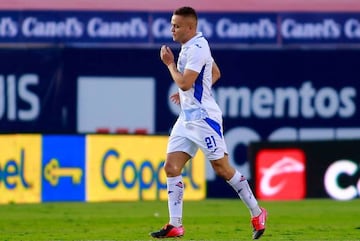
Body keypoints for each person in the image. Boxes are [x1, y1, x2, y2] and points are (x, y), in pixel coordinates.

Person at [150, 6, 267, 240]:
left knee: (222, 169)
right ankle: (175, 225)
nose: (172, 28)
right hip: (187, 118)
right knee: (171, 167)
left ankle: (257, 212)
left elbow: (184, 83)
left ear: (190, 27)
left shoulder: (197, 48)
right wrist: (190, 95)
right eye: (172, 24)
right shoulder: (192, 46)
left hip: (204, 119)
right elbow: (215, 72)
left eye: (177, 25)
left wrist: (170, 65)